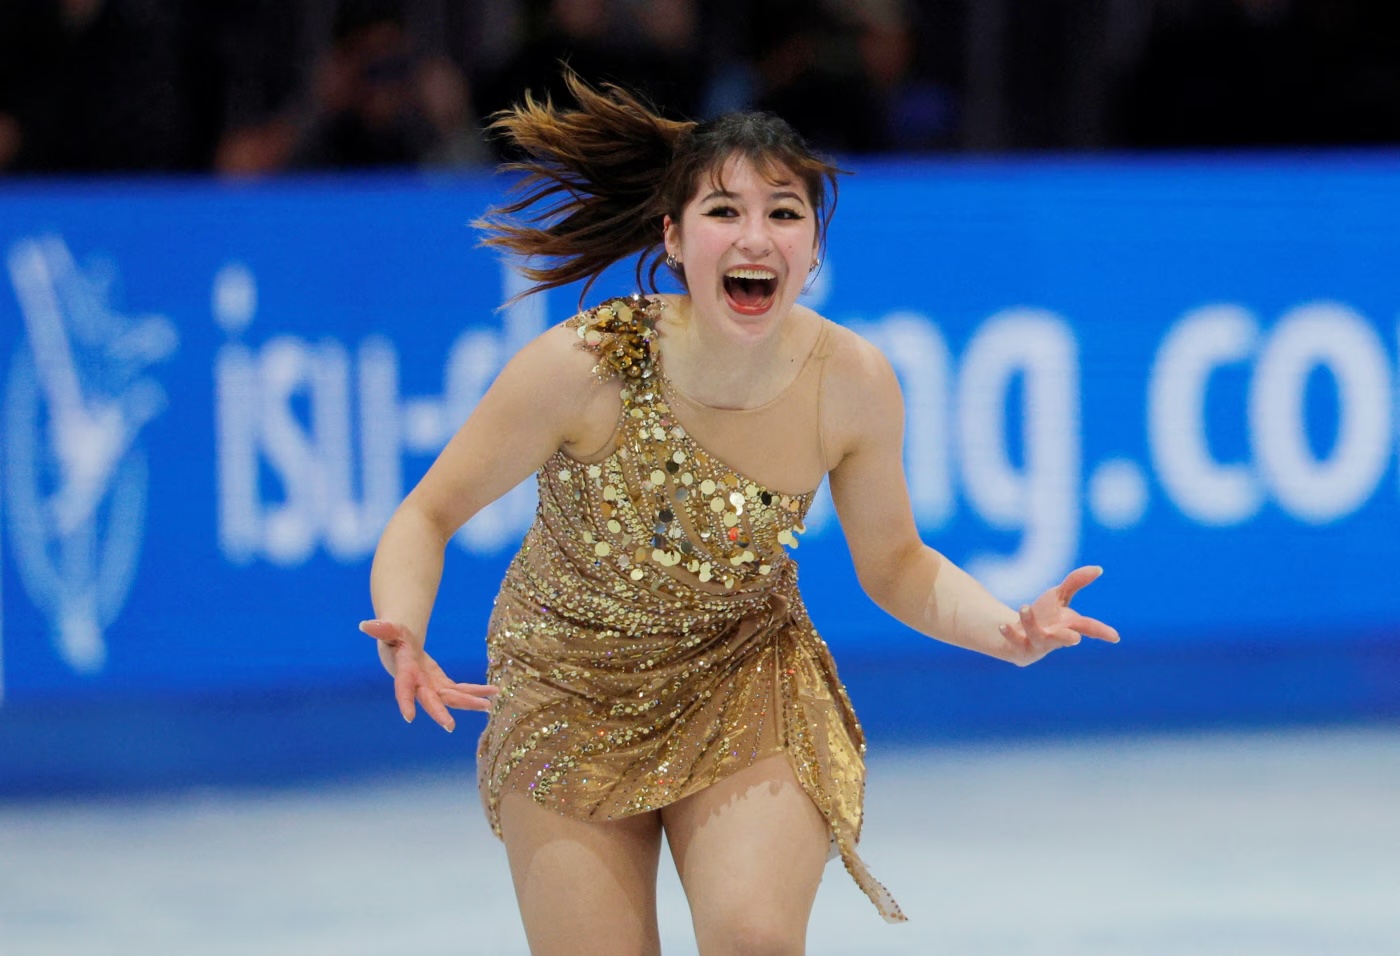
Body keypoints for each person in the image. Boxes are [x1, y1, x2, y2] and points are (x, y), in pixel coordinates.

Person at [359, 70, 1119, 955]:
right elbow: (426, 514)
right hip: (567, 687)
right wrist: (404, 627)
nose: (756, 236)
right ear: (674, 238)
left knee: (753, 938)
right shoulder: (585, 365)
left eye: (784, 213)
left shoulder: (852, 381)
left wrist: (1006, 630)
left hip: (742, 672)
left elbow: (897, 564)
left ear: (813, 248)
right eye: (724, 211)